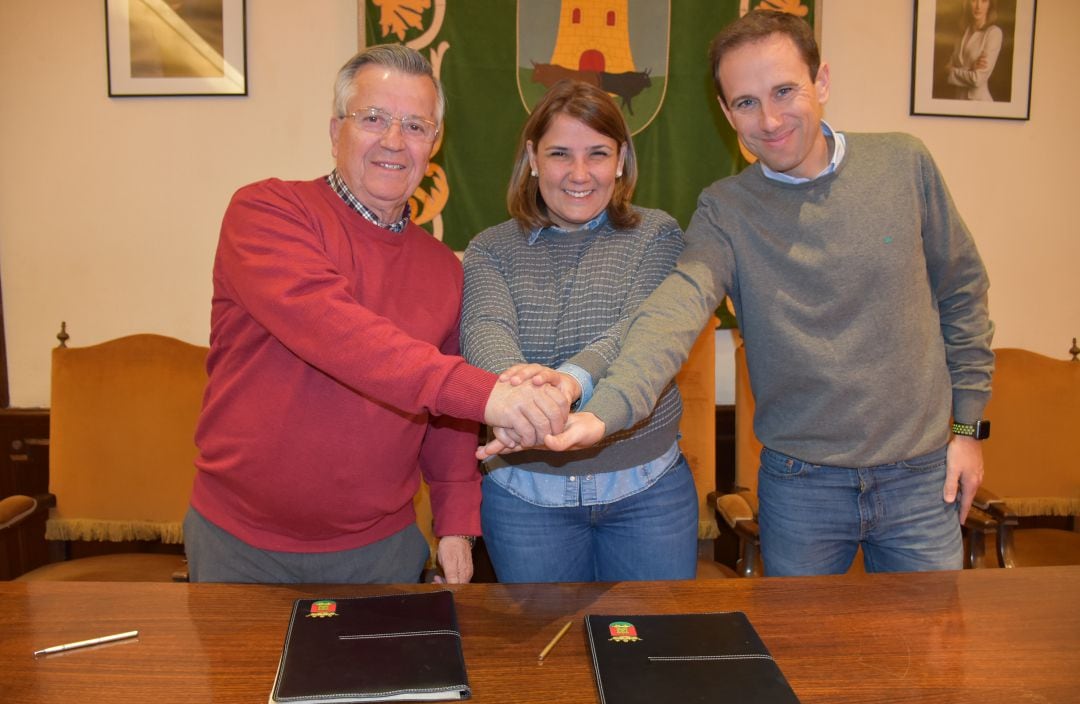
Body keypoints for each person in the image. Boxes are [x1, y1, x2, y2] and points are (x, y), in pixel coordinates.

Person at [524, 10, 995, 577]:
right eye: (746, 102)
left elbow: (963, 293)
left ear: (821, 82)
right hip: (801, 490)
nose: (769, 119)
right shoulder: (725, 209)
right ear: (726, 113)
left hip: (921, 481)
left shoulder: (903, 163)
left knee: (931, 659)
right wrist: (601, 415)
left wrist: (968, 430)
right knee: (799, 659)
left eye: (784, 90)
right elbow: (672, 314)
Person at [185, 45, 569, 585]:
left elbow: (446, 420)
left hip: (380, 553)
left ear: (434, 144)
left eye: (415, 125)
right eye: (373, 119)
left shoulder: (444, 269)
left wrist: (456, 521)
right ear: (336, 128)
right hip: (240, 546)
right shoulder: (266, 211)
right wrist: (492, 395)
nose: (393, 140)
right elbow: (337, 333)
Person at [460, 80, 699, 582]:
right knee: (544, 660)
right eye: (559, 154)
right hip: (525, 499)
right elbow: (485, 331)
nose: (579, 173)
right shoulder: (489, 248)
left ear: (621, 159)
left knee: (653, 650)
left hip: (646, 493)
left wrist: (567, 382)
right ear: (532, 157)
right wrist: (528, 397)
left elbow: (635, 334)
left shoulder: (658, 234)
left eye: (597, 153)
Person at [944, 0, 1003, 101]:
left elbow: (977, 79)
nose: (978, 6)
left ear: (990, 5)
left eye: (984, 1)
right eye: (974, 0)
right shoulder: (961, 32)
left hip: (980, 104)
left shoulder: (994, 33)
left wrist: (951, 71)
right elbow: (946, 70)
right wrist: (970, 69)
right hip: (957, 101)